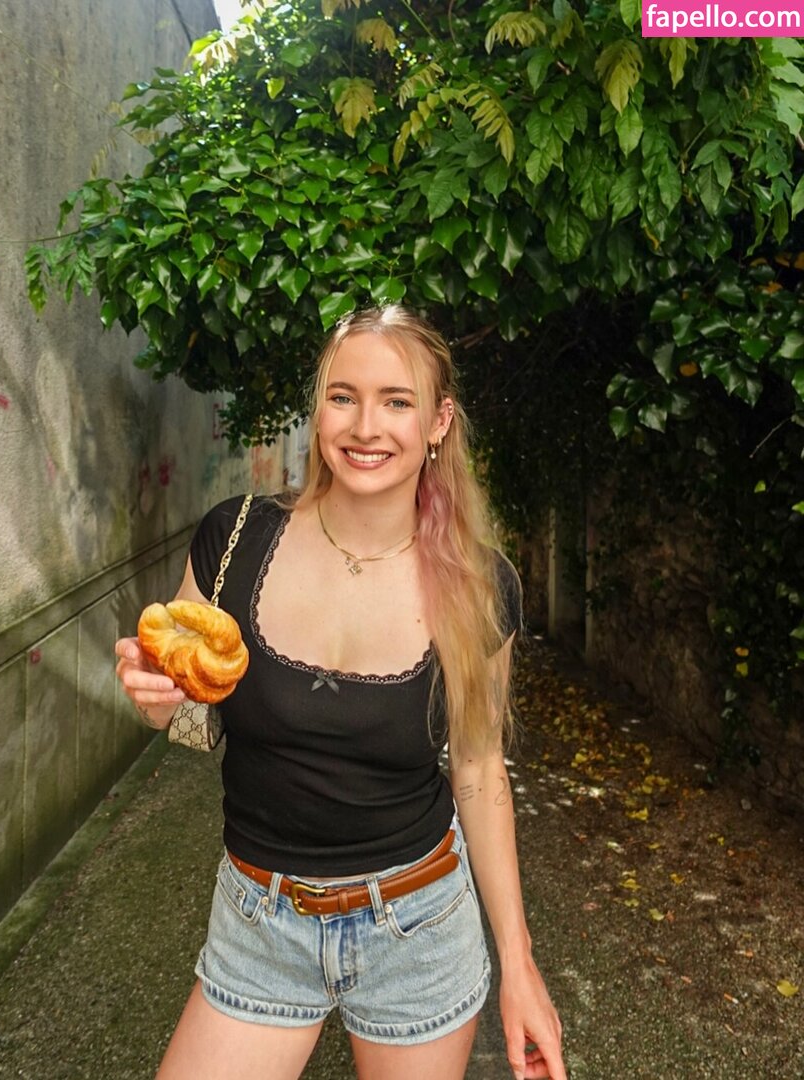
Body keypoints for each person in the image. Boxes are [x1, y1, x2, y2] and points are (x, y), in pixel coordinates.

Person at [115, 305, 566, 1080]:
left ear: (438, 422)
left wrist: (518, 965)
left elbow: (478, 770)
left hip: (418, 926)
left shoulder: (479, 585)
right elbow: (187, 706)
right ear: (318, 409)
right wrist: (157, 699)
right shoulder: (234, 539)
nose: (365, 427)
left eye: (396, 401)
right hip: (259, 924)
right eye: (343, 396)